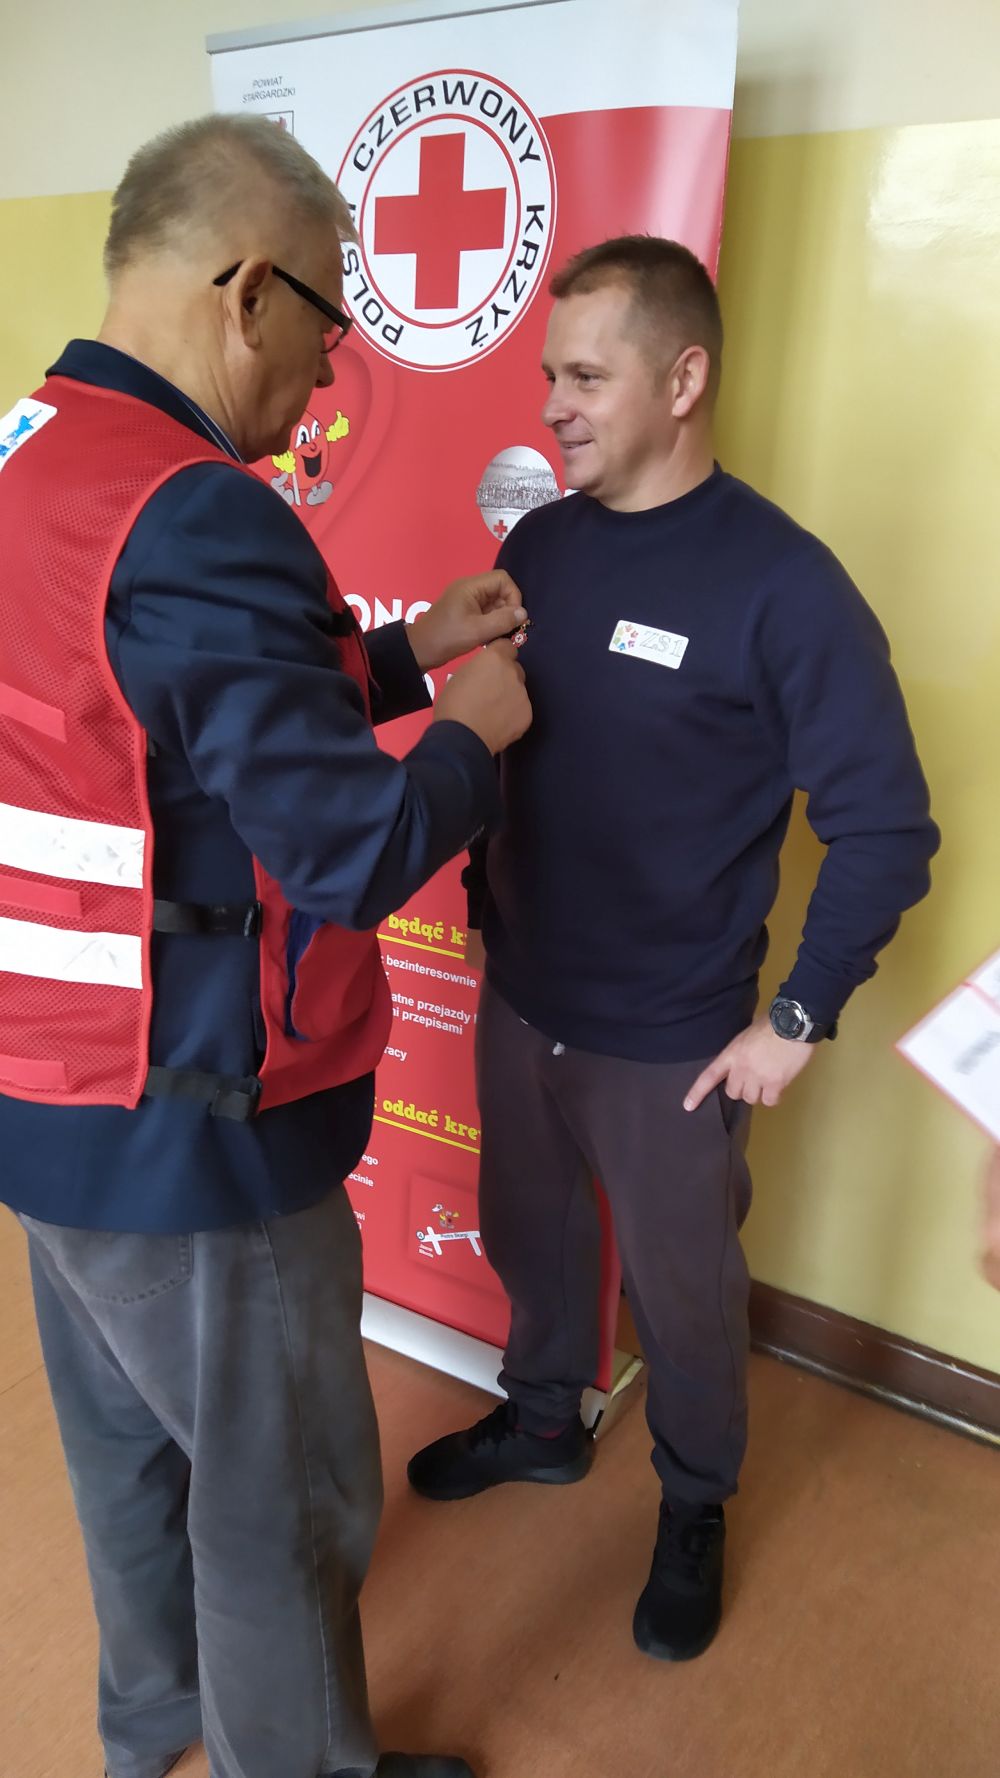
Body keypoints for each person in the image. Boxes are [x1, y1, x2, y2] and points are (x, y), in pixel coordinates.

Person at [0, 115, 532, 1778]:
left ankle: (152, 1719)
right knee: (283, 1499)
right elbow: (347, 849)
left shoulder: (32, 451)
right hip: (199, 1131)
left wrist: (404, 653)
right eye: (325, 327)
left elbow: (159, 719)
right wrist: (475, 734)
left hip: (50, 1094)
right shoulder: (201, 512)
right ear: (245, 294)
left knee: (127, 1457)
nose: (327, 377)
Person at [407, 236, 940, 1663]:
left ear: (684, 378)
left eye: (587, 377)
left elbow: (888, 827)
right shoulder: (541, 547)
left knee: (684, 1297)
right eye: (550, 377)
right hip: (526, 994)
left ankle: (695, 1500)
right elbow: (513, 745)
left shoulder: (786, 586)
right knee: (530, 1237)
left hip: (674, 1036)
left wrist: (798, 1015)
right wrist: (487, 913)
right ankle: (543, 1419)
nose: (554, 406)